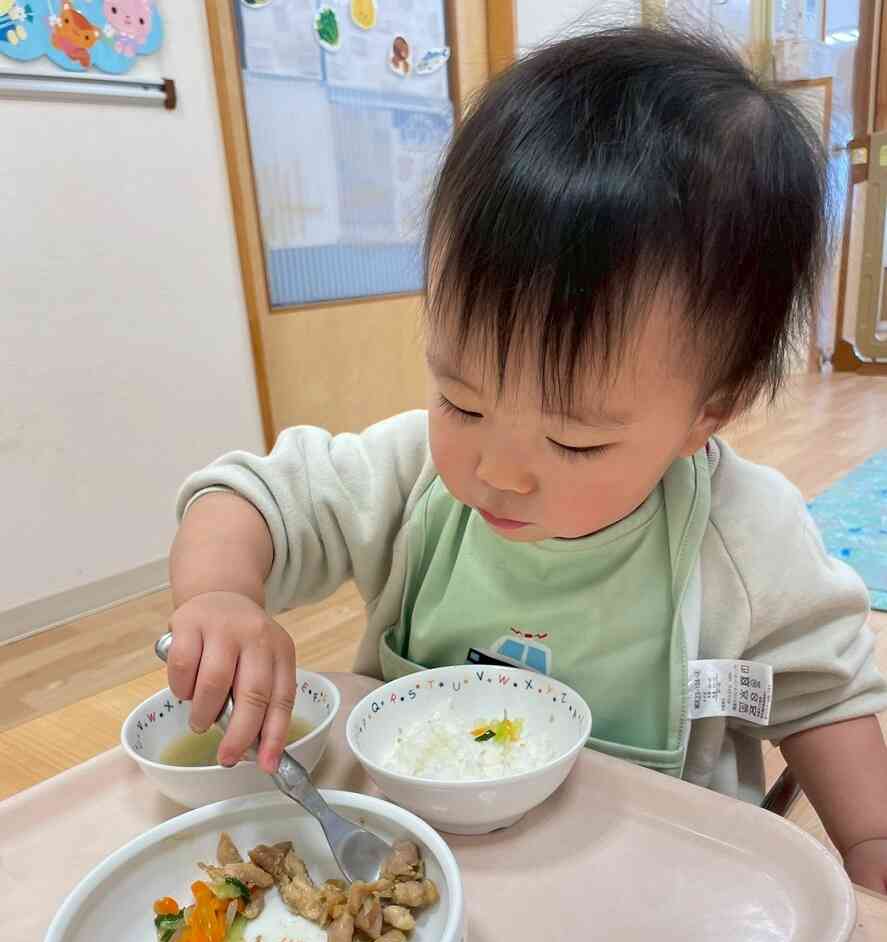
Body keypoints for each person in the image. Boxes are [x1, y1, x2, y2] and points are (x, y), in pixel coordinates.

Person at [168, 25, 887, 889]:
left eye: (575, 439)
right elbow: (253, 497)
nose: (497, 470)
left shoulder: (742, 536)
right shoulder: (413, 478)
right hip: (406, 872)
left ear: (709, 412)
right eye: (461, 401)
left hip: (654, 892)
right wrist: (218, 592)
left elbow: (827, 698)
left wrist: (869, 846)